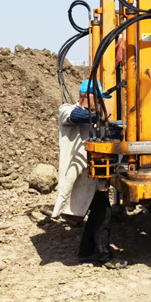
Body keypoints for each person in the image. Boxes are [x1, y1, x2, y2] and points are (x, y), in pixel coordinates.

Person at [52, 79, 125, 268]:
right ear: (89, 96)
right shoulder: (66, 110)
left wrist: (121, 130)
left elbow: (108, 132)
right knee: (103, 213)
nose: (102, 103)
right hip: (77, 175)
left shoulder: (94, 119)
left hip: (92, 176)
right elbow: (78, 116)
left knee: (98, 212)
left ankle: (86, 251)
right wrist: (99, 117)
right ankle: (103, 257)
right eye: (99, 99)